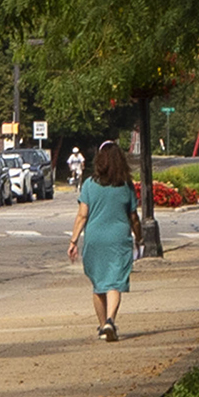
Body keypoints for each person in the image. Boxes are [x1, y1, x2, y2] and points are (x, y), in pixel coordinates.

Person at [66, 143, 141, 342]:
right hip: (119, 239)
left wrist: (73, 241)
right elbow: (133, 217)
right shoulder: (126, 185)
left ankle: (102, 327)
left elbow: (82, 216)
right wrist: (139, 237)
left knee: (99, 284)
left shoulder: (90, 184)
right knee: (115, 281)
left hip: (94, 239)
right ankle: (110, 320)